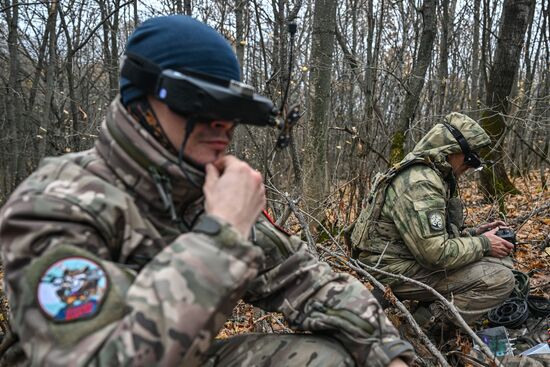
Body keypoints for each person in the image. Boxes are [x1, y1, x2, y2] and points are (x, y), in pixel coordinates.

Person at [0, 15, 414, 366]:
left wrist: (387, 352)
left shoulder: (199, 188)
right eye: (198, 105)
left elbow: (305, 280)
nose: (221, 127)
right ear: (141, 103)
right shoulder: (56, 203)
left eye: (231, 112)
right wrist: (222, 237)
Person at [351, 113, 515, 329]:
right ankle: (420, 332)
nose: (470, 166)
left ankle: (425, 313)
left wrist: (476, 234)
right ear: (450, 151)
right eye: (470, 158)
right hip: (391, 268)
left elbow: (431, 237)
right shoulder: (420, 183)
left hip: (404, 258)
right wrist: (484, 244)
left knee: (502, 262)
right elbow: (435, 254)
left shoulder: (434, 176)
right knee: (500, 279)